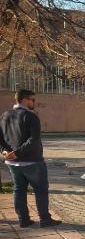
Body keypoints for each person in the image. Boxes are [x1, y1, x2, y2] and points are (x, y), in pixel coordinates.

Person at [0, 89, 62, 228]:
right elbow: (33, 139)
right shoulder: (30, 116)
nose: (34, 102)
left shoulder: (4, 116)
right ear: (24, 100)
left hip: (12, 162)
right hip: (32, 161)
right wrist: (17, 152)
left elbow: (1, 139)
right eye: (32, 100)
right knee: (40, 190)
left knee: (19, 189)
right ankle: (45, 220)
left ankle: (24, 220)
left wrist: (6, 152)